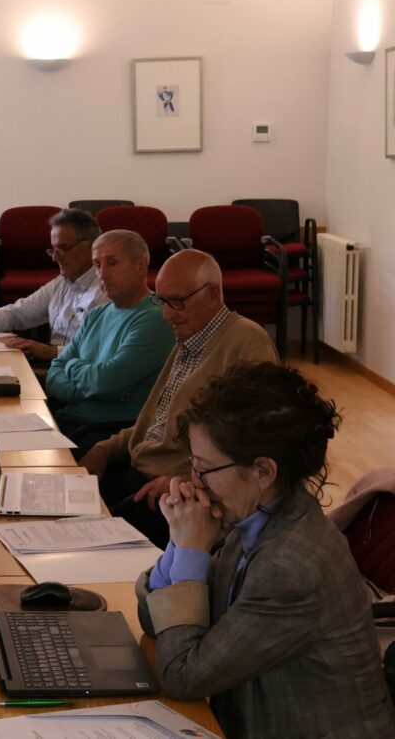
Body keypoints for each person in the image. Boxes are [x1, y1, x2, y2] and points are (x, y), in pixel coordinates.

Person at [136, 362, 395, 737]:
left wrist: (192, 550)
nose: (193, 482)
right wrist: (182, 543)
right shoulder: (256, 516)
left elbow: (183, 674)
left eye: (204, 468)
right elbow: (153, 619)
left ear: (263, 472)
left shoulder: (290, 567)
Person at [80, 249, 278, 547]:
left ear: (213, 295)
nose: (166, 314)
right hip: (142, 471)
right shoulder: (189, 338)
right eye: (162, 301)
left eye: (176, 302)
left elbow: (258, 446)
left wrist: (186, 479)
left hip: (178, 495)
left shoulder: (247, 343)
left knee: (88, 540)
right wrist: (105, 449)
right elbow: (155, 425)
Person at [45, 230, 175, 455]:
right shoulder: (97, 314)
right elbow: (54, 373)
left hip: (109, 432)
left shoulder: (155, 318)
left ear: (140, 265)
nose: (102, 274)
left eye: (112, 263)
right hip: (70, 419)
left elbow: (104, 382)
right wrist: (87, 389)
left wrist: (72, 367)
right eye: (97, 265)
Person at [0, 208, 107, 360]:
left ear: (92, 247)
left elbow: (100, 351)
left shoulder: (105, 292)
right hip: (57, 365)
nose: (55, 258)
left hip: (81, 371)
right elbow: (17, 313)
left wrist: (51, 352)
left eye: (64, 248)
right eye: (53, 249)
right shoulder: (61, 284)